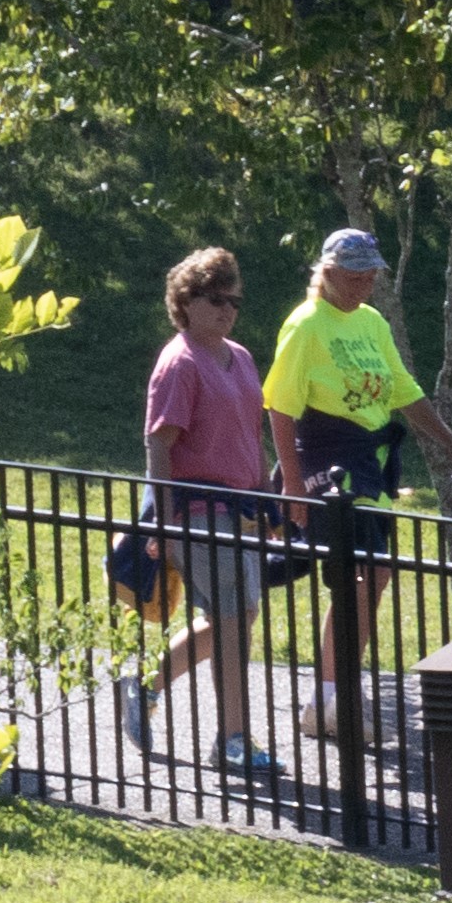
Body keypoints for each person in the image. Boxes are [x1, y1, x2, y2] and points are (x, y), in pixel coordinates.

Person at [258, 227, 452, 754]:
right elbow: (280, 407)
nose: (364, 286)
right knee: (363, 571)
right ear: (327, 274)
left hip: (370, 462)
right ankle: (333, 698)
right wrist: (289, 483)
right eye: (355, 277)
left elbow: (404, 391)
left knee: (370, 575)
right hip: (324, 457)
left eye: (371, 277)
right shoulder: (307, 325)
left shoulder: (373, 324)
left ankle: (329, 698)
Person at [133, 247, 292, 777]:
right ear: (185, 303)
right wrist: (162, 518)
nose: (227, 309)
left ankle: (146, 685)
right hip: (197, 509)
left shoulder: (240, 356)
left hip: (242, 508)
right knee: (231, 622)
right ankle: (233, 740)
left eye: (234, 300)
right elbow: (159, 446)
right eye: (215, 299)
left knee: (239, 616)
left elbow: (252, 435)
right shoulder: (179, 363)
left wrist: (269, 507)